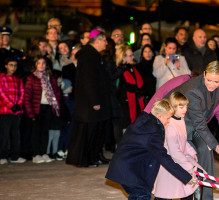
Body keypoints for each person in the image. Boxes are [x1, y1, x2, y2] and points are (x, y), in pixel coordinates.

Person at [144, 61, 219, 200]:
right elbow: (162, 94)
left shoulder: (218, 89)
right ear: (203, 75)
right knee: (175, 160)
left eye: (216, 81)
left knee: (205, 150)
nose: (212, 85)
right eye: (209, 80)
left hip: (195, 127)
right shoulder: (191, 88)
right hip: (176, 126)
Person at [105, 99, 198, 200]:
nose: (168, 121)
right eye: (168, 118)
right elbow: (163, 158)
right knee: (143, 196)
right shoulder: (152, 131)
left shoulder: (145, 120)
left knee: (137, 195)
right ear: (159, 116)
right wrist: (185, 177)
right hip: (128, 169)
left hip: (125, 166)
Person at [148, 92, 206, 200]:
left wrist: (192, 153)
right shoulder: (170, 124)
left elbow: (183, 141)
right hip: (170, 163)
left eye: (186, 106)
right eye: (181, 107)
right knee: (164, 193)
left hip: (180, 158)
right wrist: (188, 167)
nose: (185, 109)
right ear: (173, 107)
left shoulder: (181, 120)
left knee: (196, 178)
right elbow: (174, 150)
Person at [66, 29, 111, 167]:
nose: (106, 43)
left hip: (93, 101)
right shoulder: (88, 56)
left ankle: (93, 157)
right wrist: (94, 101)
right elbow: (88, 80)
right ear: (97, 41)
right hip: (89, 103)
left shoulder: (94, 55)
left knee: (94, 131)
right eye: (104, 40)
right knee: (87, 133)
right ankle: (84, 160)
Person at [24, 56, 61, 163]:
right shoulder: (32, 78)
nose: (41, 65)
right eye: (39, 63)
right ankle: (36, 154)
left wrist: (57, 107)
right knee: (36, 132)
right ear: (35, 65)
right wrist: (30, 113)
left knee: (45, 132)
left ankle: (44, 152)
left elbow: (56, 94)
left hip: (48, 107)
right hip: (37, 108)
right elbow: (27, 96)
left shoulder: (51, 78)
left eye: (43, 63)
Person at [0, 57, 25, 164]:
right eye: (11, 65)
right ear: (6, 66)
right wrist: (11, 105)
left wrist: (18, 105)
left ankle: (15, 156)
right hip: (5, 111)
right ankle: (2, 156)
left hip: (17, 112)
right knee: (4, 135)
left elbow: (22, 93)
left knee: (16, 135)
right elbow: (1, 93)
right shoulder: (2, 78)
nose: (13, 68)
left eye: (15, 65)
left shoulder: (18, 79)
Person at [117, 45, 144, 128]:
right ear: (123, 58)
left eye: (132, 55)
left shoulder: (133, 68)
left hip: (137, 103)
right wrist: (136, 90)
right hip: (126, 107)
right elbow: (121, 88)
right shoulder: (119, 71)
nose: (133, 57)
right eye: (130, 56)